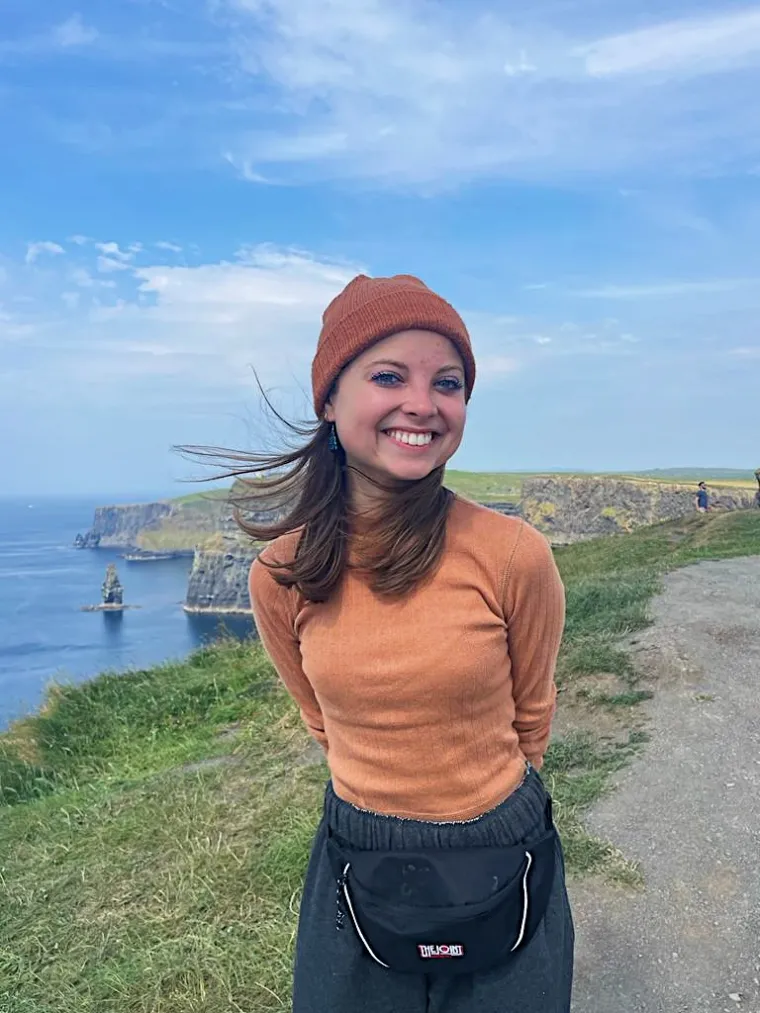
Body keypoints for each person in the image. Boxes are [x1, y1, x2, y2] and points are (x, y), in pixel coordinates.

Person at [240, 274, 573, 1013]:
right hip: (359, 858)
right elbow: (319, 716)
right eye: (388, 375)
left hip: (501, 847)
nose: (423, 404)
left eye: (446, 383)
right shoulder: (282, 573)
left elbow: (533, 711)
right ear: (329, 398)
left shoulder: (514, 554)